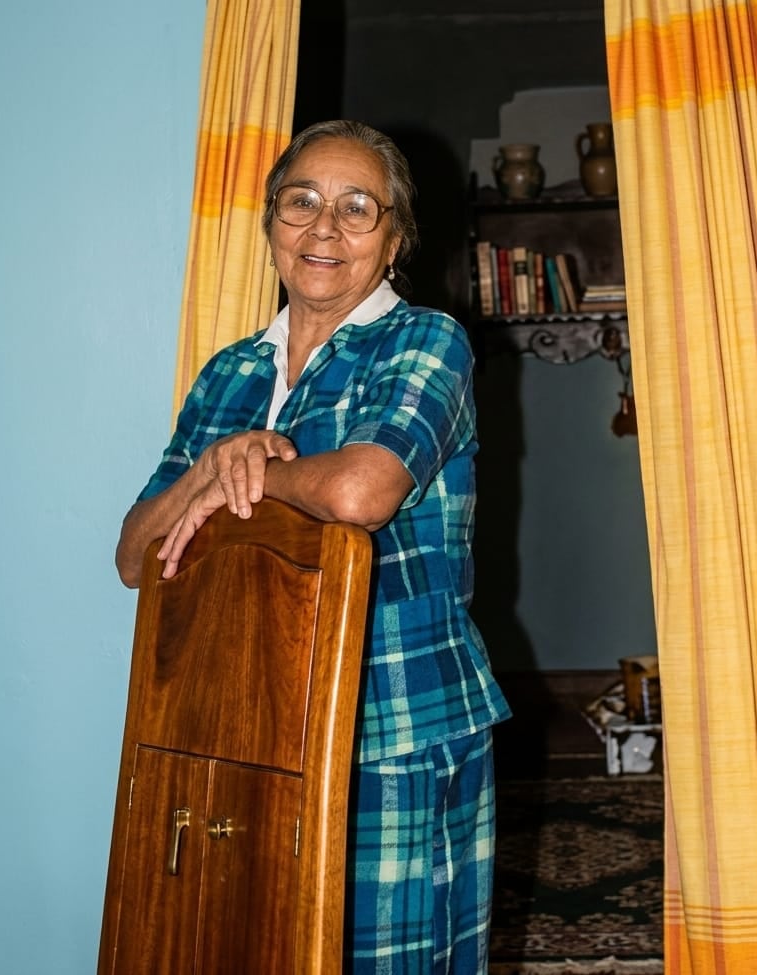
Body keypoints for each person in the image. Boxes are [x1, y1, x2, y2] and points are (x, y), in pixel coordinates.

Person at [115, 119, 511, 972]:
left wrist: (250, 472)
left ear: (395, 239)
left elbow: (360, 492)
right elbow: (132, 555)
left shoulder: (425, 343)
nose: (324, 228)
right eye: (302, 202)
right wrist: (217, 465)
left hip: (395, 723)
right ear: (271, 225)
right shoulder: (229, 373)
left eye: (357, 208)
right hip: (243, 723)